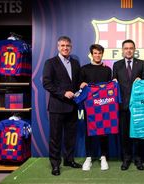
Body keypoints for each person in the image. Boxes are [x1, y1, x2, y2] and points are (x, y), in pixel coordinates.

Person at [42, 36, 82, 176]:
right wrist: (63, 93)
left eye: (68, 46)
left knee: (70, 136)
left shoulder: (76, 63)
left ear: (71, 47)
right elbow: (47, 83)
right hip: (57, 106)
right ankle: (55, 164)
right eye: (63, 45)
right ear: (58, 47)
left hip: (72, 106)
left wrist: (81, 86)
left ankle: (69, 160)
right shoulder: (50, 62)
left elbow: (77, 83)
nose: (65, 48)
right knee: (55, 137)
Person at [113, 39, 144, 171]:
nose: (128, 50)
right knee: (124, 134)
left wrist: (142, 80)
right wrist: (113, 81)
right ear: (122, 50)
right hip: (122, 106)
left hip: (138, 106)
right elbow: (113, 83)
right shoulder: (117, 65)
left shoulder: (141, 64)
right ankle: (126, 158)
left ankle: (138, 159)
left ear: (134, 50)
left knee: (138, 133)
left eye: (131, 48)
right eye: (126, 48)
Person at [79, 44, 111, 171]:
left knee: (104, 132)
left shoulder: (107, 70)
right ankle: (89, 157)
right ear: (91, 54)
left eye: (99, 53)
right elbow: (79, 85)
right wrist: (81, 84)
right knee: (89, 132)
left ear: (102, 54)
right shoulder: (84, 69)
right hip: (89, 107)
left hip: (104, 106)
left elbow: (110, 88)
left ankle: (103, 157)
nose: (97, 55)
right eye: (95, 53)